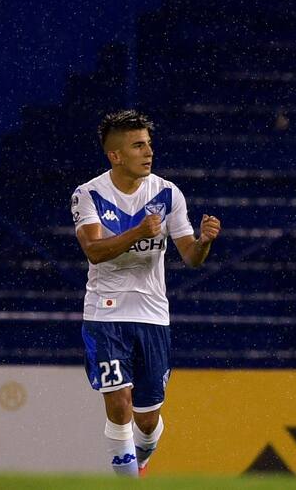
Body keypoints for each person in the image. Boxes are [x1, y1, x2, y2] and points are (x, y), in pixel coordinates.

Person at [72, 110, 221, 476]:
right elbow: (94, 251)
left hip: (152, 314)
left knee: (148, 420)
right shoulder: (89, 194)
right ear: (116, 155)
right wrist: (138, 232)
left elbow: (191, 257)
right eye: (138, 145)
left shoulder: (167, 194)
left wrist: (203, 242)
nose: (149, 152)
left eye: (149, 144)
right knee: (119, 405)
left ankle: (138, 463)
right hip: (105, 313)